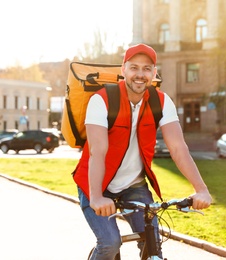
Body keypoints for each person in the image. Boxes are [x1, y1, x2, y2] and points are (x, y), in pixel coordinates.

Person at [72, 43, 212, 259]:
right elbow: (97, 151)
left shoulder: (161, 102)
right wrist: (97, 197)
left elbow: (177, 147)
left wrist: (201, 189)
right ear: (123, 70)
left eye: (147, 69)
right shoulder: (101, 100)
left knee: (153, 240)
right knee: (110, 243)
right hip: (95, 184)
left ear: (154, 73)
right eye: (134, 67)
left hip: (133, 185)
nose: (140, 74)